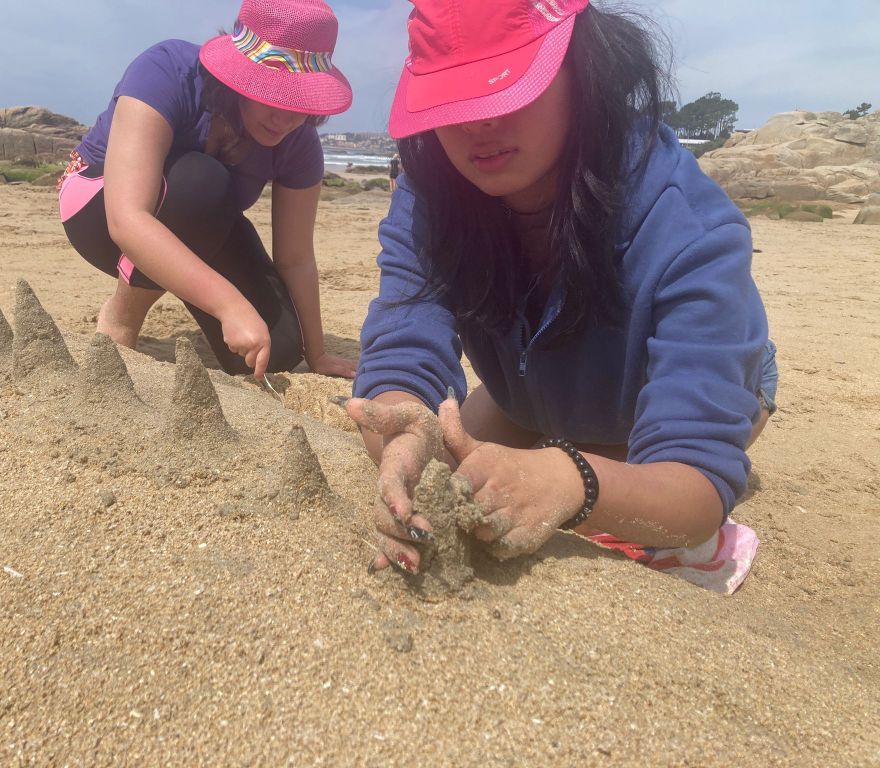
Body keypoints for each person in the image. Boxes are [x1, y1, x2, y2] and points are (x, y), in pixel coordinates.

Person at [342, 0, 778, 576]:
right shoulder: (431, 197)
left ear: (582, 65)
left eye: (505, 88)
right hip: (529, 388)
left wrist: (573, 480)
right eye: (455, 97)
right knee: (441, 459)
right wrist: (400, 426)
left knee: (639, 505)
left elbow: (694, 486)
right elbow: (404, 353)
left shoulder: (688, 228)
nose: (476, 122)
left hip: (656, 389)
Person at [58, 0, 356, 380]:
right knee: (204, 182)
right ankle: (122, 314)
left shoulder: (298, 143)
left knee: (275, 352)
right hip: (97, 210)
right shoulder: (167, 70)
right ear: (242, 75)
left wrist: (318, 354)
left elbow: (295, 257)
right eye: (275, 94)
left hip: (204, 226)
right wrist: (228, 303)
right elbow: (126, 218)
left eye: (301, 101)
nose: (287, 118)